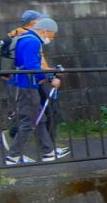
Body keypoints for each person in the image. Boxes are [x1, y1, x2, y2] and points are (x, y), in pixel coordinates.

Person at [5, 16, 69, 164]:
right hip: (26, 85)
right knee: (29, 121)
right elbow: (31, 65)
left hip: (26, 84)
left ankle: (48, 152)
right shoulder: (32, 41)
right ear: (45, 31)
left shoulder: (26, 38)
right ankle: (13, 156)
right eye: (52, 35)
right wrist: (50, 78)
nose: (52, 39)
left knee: (39, 118)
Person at [0, 10, 51, 152]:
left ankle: (47, 150)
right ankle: (14, 153)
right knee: (30, 116)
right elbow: (32, 63)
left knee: (38, 115)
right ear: (34, 22)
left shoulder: (18, 35)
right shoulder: (29, 38)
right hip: (28, 81)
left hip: (24, 80)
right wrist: (46, 77)